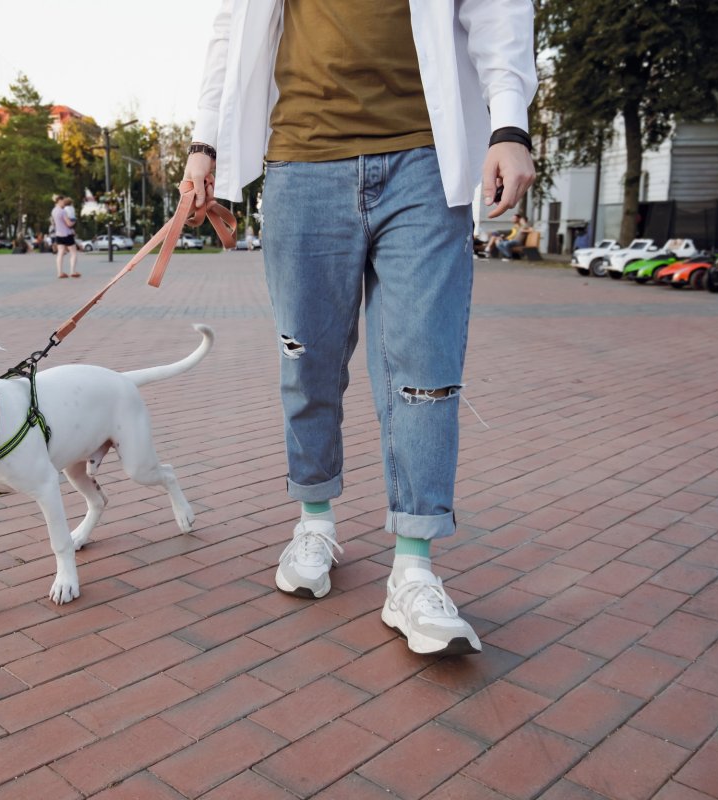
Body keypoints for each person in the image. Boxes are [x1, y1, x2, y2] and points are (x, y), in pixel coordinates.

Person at [185, 0, 536, 655]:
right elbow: (232, 26)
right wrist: (206, 140)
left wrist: (509, 122)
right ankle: (315, 521)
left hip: (428, 160)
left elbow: (498, 10)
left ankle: (414, 568)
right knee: (307, 358)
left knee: (424, 370)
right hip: (302, 158)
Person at [52, 195, 79, 278]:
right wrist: (74, 221)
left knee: (60, 253)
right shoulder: (62, 212)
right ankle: (72, 271)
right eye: (63, 201)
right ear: (59, 201)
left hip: (58, 234)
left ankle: (60, 272)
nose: (64, 203)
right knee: (73, 252)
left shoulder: (53, 211)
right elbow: (69, 224)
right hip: (67, 234)